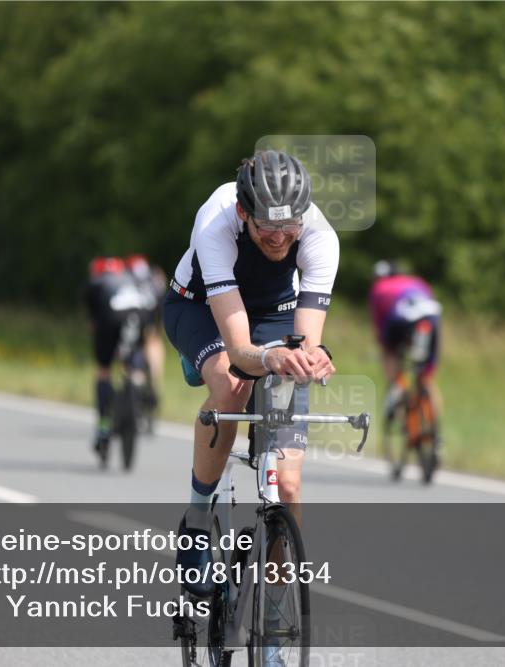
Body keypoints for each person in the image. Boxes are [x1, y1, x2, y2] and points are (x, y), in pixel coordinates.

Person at [162, 150, 338, 600]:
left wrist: (310, 359)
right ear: (244, 213)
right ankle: (197, 524)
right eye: (267, 227)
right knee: (233, 386)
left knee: (290, 485)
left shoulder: (319, 235)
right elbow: (241, 351)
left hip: (274, 313)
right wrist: (270, 359)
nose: (280, 238)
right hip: (200, 307)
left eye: (289, 227)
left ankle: (277, 623)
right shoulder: (217, 222)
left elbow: (306, 340)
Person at [83, 256, 151, 465]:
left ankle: (104, 425)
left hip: (110, 316)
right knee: (131, 363)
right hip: (140, 313)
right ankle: (136, 394)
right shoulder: (130, 278)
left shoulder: (96, 282)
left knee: (103, 371)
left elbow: (93, 321)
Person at [368, 260, 443, 420]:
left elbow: (380, 325)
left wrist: (385, 347)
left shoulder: (378, 288)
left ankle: (396, 385)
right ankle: (434, 434)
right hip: (431, 317)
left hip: (400, 319)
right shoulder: (418, 282)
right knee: (425, 377)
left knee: (389, 351)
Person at [125, 254, 168, 423]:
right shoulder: (154, 282)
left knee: (133, 364)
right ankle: (153, 388)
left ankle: (138, 390)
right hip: (150, 328)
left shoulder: (126, 283)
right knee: (153, 346)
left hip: (134, 330)